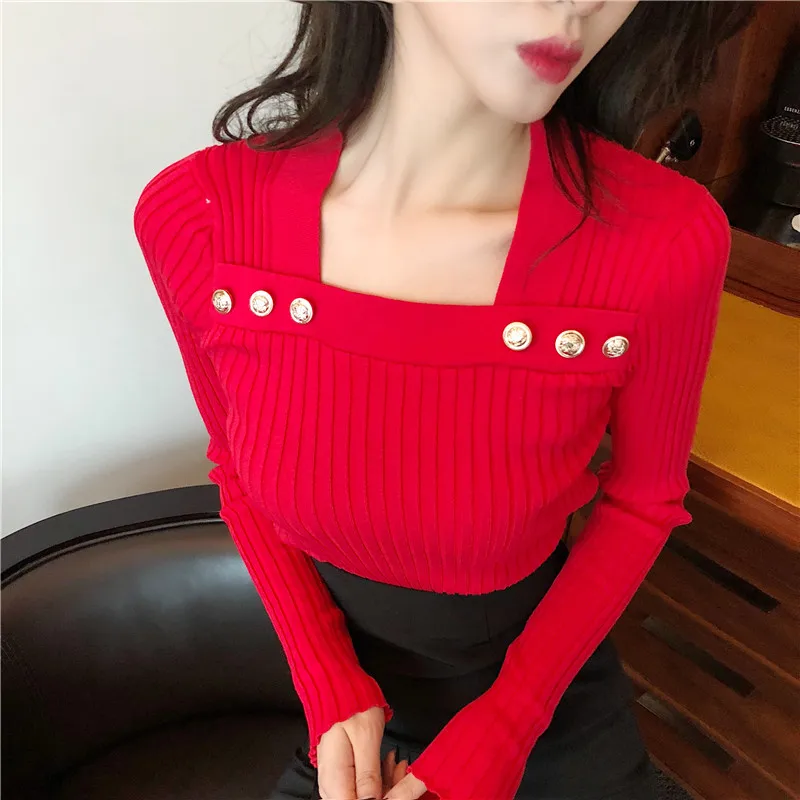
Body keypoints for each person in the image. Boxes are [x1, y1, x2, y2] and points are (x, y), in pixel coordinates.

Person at [133, 2, 754, 799]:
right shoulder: (198, 219)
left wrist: (505, 730)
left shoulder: (664, 238)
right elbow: (234, 469)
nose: (580, 4)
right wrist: (326, 683)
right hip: (356, 718)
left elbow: (643, 501)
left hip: (544, 707)